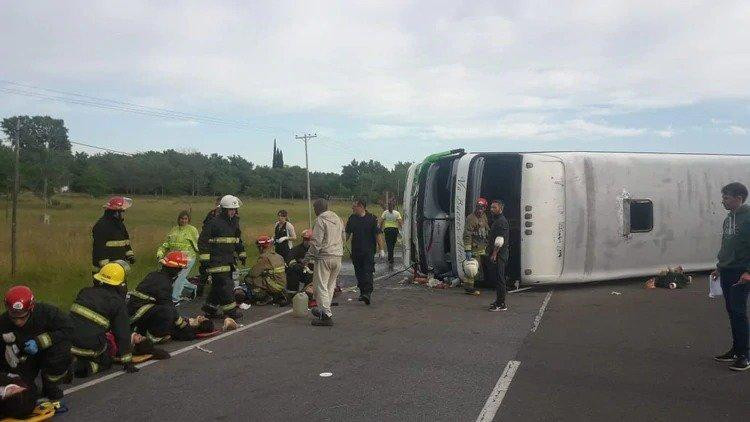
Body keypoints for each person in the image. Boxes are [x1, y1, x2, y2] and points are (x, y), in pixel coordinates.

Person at [0, 286, 72, 400]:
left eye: (22, 317)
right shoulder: (3, 322)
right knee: (24, 392)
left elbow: (68, 328)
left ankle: (51, 385)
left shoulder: (46, 312)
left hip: (48, 351)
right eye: (14, 318)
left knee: (61, 350)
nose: (18, 322)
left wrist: (39, 342)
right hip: (25, 358)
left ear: (31, 308)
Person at [70, 263, 138, 377]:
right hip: (88, 347)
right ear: (120, 284)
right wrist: (127, 361)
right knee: (106, 360)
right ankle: (79, 368)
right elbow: (122, 334)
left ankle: (70, 360)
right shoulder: (117, 303)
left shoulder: (85, 291)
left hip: (67, 342)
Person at [128, 251, 211, 343]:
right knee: (167, 312)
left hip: (136, 310)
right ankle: (155, 337)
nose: (179, 272)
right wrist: (184, 327)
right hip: (136, 313)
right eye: (180, 269)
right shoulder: (164, 283)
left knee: (165, 312)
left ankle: (143, 329)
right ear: (174, 269)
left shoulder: (156, 275)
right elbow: (169, 308)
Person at [712, 182, 750, 371]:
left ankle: (745, 355)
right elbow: (726, 245)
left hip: (741, 272)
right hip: (727, 270)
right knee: (732, 312)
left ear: (738, 198)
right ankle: (736, 350)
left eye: (726, 197)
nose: (723, 201)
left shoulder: (749, 218)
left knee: (738, 312)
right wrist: (719, 267)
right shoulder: (728, 219)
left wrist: (748, 272)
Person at [198, 195, 246, 320]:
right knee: (225, 285)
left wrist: (241, 252)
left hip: (228, 259)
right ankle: (230, 311)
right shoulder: (213, 222)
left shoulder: (234, 222)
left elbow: (237, 239)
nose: (233, 212)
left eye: (235, 209)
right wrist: (204, 261)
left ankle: (210, 308)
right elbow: (203, 241)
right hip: (216, 260)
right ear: (224, 209)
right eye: (231, 209)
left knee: (218, 285)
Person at [304, 199, 345, 326]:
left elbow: (316, 242)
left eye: (314, 208)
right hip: (337, 256)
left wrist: (307, 258)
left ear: (317, 208)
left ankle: (326, 315)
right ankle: (324, 310)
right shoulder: (338, 219)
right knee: (330, 286)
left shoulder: (320, 220)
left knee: (320, 286)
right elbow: (343, 237)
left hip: (324, 257)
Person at [156, 210, 200, 302]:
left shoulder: (192, 230)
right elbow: (166, 244)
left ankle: (175, 298)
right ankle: (192, 288)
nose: (183, 221)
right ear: (178, 219)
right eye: (181, 219)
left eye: (186, 219)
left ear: (188, 220)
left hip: (188, 258)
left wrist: (205, 255)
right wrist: (160, 253)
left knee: (180, 277)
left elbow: (198, 244)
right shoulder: (174, 230)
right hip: (174, 258)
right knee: (175, 277)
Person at [346, 198, 382, 305]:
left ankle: (368, 293)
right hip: (356, 250)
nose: (353, 208)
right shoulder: (352, 218)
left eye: (354, 206)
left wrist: (381, 249)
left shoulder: (372, 219)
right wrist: (340, 243)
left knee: (368, 271)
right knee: (359, 273)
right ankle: (362, 292)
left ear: (361, 206)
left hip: (368, 250)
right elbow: (347, 233)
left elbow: (377, 234)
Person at [238, 236, 288, 306]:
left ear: (261, 247)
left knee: (248, 279)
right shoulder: (279, 256)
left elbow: (253, 273)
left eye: (258, 247)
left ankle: (264, 296)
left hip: (275, 285)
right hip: (282, 285)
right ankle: (275, 294)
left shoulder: (264, 258)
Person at [92, 196, 135, 273]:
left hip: (119, 266)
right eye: (121, 212)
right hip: (103, 269)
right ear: (115, 213)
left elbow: (126, 241)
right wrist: (106, 265)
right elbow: (99, 247)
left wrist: (129, 255)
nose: (122, 215)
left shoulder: (120, 225)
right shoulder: (101, 225)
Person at [196, 197, 222, 298]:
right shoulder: (211, 214)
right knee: (205, 270)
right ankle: (200, 292)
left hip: (216, 247)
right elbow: (205, 227)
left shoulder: (227, 216)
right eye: (218, 204)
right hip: (206, 245)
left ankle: (215, 291)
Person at [463, 197, 490, 295]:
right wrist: (467, 249)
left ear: (485, 208)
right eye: (478, 207)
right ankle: (469, 288)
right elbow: (467, 235)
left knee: (483, 267)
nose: (480, 209)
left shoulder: (484, 216)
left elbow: (486, 229)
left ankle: (483, 283)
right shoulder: (471, 218)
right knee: (472, 267)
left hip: (483, 246)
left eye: (482, 207)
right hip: (474, 248)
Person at [488, 200, 510, 312]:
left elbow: (500, 240)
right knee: (498, 278)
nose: (491, 209)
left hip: (500, 254)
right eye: (491, 207)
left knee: (500, 278)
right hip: (499, 254)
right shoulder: (498, 220)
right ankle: (499, 301)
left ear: (500, 209)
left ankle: (501, 304)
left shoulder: (501, 221)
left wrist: (494, 254)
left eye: (494, 208)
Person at [379, 202, 403, 270]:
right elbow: (400, 222)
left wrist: (380, 229)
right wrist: (403, 230)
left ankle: (390, 258)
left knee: (388, 244)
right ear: (394, 206)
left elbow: (381, 221)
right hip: (394, 230)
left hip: (387, 230)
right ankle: (391, 257)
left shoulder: (385, 213)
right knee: (392, 244)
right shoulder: (397, 213)